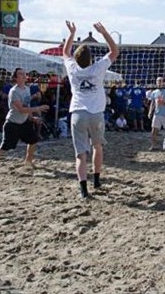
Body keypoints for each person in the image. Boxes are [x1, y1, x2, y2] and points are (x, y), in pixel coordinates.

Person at [63, 21, 119, 199]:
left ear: (77, 59)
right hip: (96, 114)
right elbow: (114, 51)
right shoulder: (97, 68)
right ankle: (96, 180)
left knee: (80, 154)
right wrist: (104, 33)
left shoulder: (72, 69)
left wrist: (72, 33)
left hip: (78, 113)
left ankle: (83, 190)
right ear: (90, 59)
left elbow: (65, 52)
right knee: (97, 147)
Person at [0, 68, 49, 175]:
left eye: (24, 73)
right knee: (5, 147)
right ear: (16, 78)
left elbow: (26, 106)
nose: (24, 75)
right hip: (12, 123)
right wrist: (38, 109)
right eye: (20, 74)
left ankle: (28, 162)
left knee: (33, 140)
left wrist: (32, 118)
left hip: (24, 122)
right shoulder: (14, 91)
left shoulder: (27, 89)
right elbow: (21, 109)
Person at [148, 77, 165, 150]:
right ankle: (153, 145)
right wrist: (150, 111)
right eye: (158, 81)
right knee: (154, 130)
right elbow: (152, 103)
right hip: (157, 114)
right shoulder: (154, 92)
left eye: (160, 81)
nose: (159, 82)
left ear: (163, 82)